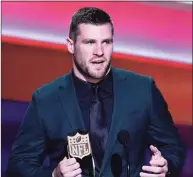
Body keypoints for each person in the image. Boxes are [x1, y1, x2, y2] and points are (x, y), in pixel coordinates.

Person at [7, 7, 185, 177]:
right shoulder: (46, 99)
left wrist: (166, 166)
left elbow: (173, 147)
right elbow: (19, 164)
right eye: (90, 42)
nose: (99, 52)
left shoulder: (143, 89)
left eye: (106, 42)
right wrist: (54, 175)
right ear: (71, 45)